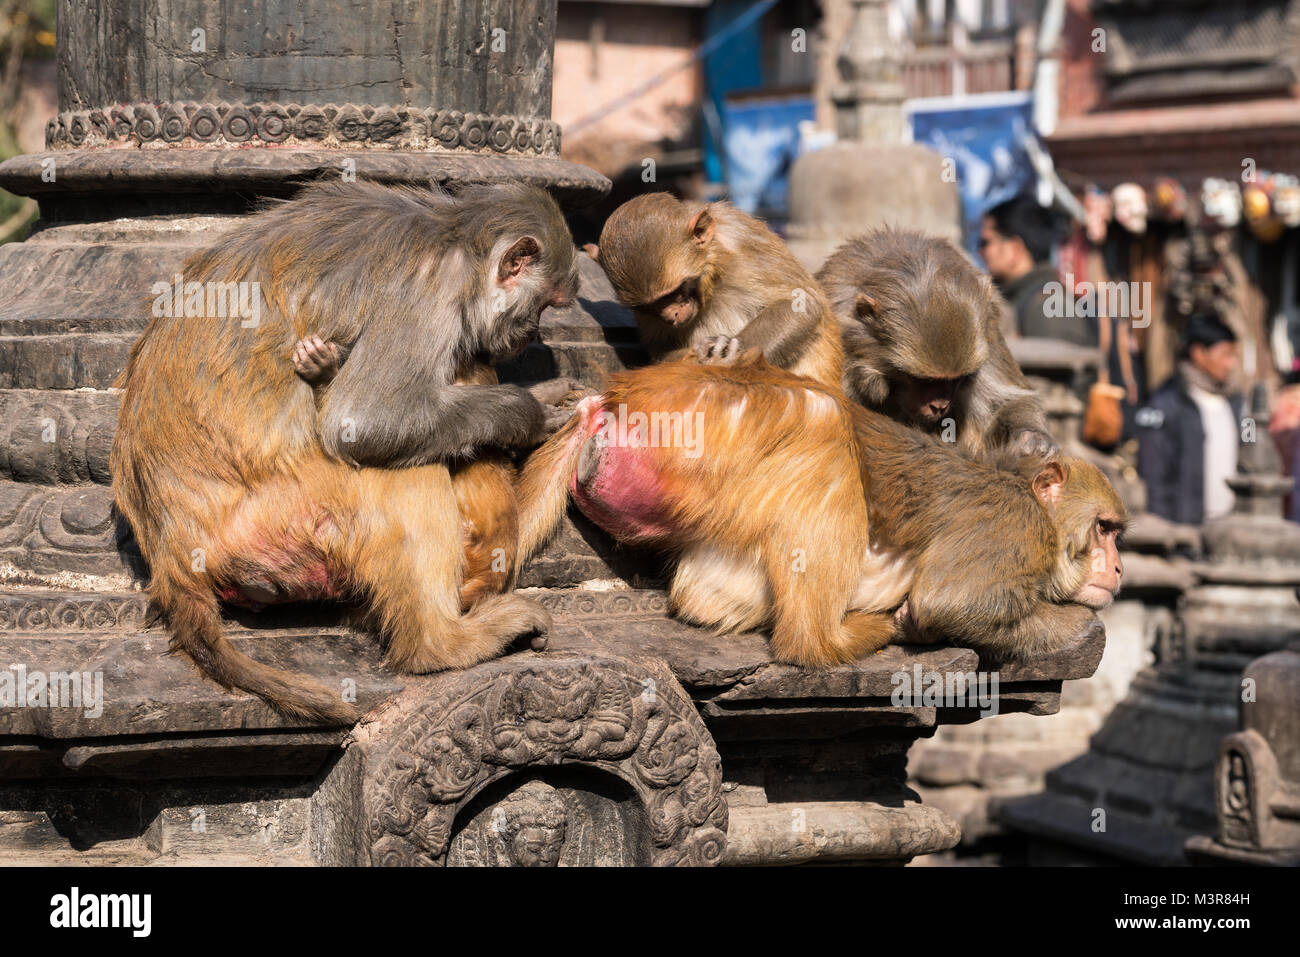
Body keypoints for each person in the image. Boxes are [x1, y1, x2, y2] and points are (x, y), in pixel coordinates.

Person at [1137, 314, 1244, 525]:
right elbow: (1153, 474)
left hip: (1230, 524)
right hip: (1184, 530)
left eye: (1233, 356)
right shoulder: (1165, 403)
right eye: (1225, 354)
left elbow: (1249, 442)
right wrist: (1166, 531)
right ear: (1199, 354)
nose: (1231, 364)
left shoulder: (1237, 401)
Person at [980, 195, 1097, 348]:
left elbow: (1060, 367)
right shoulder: (1025, 300)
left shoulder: (1048, 308)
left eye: (985, 242)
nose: (981, 251)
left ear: (1014, 248)